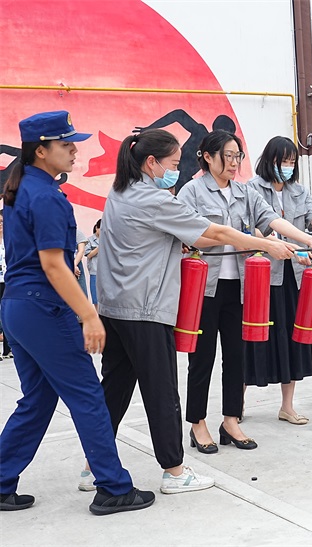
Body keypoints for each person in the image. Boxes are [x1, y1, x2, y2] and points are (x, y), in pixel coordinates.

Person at [95, 128, 297, 493]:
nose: (176, 170)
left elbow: (197, 237)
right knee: (162, 391)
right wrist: (266, 245)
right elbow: (215, 234)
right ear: (151, 162)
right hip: (145, 307)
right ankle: (174, 471)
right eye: (173, 164)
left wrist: (275, 242)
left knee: (114, 390)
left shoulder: (119, 191)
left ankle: (95, 465)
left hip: (115, 307)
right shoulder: (155, 198)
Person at [0, 111, 154, 514]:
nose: (74, 149)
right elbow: (53, 265)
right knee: (88, 396)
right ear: (41, 150)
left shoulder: (22, 189)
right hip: (44, 308)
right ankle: (114, 487)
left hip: (18, 309)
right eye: (65, 144)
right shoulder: (45, 196)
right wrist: (88, 314)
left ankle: (0, 481)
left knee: (37, 399)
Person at [177, 132, 312, 446]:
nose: (234, 163)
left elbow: (271, 219)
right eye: (228, 156)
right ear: (207, 156)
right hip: (204, 290)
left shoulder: (244, 192)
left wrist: (307, 239)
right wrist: (258, 243)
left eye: (238, 157)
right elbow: (194, 236)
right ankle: (198, 424)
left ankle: (231, 421)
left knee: (237, 356)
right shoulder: (191, 192)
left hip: (242, 289)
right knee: (202, 358)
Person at [243, 136, 312, 426]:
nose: (288, 167)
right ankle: (236, 402)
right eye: (283, 161)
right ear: (270, 161)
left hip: (293, 278)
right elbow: (254, 229)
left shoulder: (300, 192)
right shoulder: (251, 189)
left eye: (292, 162)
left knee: (292, 340)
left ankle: (287, 406)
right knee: (251, 339)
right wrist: (289, 248)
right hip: (262, 277)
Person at [0, 210, 11, 359]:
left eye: (2, 222)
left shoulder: (9, 240)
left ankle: (8, 349)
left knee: (7, 313)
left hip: (9, 280)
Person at [84, 219, 101, 310]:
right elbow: (88, 255)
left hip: (106, 272)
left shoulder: (109, 240)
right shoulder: (89, 240)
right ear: (96, 228)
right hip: (94, 271)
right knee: (95, 297)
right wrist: (100, 246)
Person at [74, 228, 88, 297]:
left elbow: (81, 251)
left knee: (82, 293)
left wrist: (74, 264)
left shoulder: (77, 233)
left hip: (76, 263)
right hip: (62, 263)